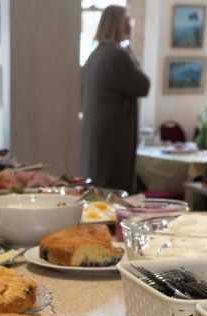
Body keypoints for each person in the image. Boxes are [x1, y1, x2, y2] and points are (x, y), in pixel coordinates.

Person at [80, 5, 150, 192]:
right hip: (114, 136)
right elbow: (143, 86)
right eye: (127, 21)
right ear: (119, 25)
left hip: (99, 134)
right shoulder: (117, 55)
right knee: (114, 189)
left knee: (99, 183)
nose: (130, 26)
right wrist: (132, 54)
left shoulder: (95, 54)